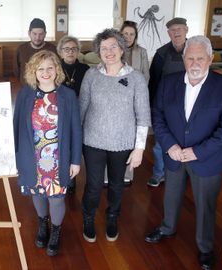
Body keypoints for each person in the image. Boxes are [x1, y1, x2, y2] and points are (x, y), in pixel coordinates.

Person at [144, 36, 222, 270]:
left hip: (206, 159)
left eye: (200, 58)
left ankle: (205, 247)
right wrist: (170, 146)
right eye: (190, 58)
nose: (195, 63)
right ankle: (167, 228)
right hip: (175, 155)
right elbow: (157, 116)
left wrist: (197, 152)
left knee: (206, 205)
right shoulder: (168, 82)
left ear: (210, 58)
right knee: (171, 196)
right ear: (183, 59)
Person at [79, 28, 150, 243]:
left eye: (113, 47)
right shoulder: (91, 75)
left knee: (117, 185)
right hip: (93, 141)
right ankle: (88, 218)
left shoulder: (136, 78)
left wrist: (139, 148)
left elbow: (143, 115)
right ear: (98, 52)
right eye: (103, 48)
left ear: (122, 49)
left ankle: (112, 217)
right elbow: (81, 109)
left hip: (122, 143)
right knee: (93, 185)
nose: (109, 52)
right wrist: (74, 142)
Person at [13, 50, 82, 256]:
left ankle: (56, 230)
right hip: (31, 156)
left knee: (57, 198)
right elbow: (16, 127)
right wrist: (15, 157)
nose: (45, 72)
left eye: (50, 68)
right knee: (38, 193)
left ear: (57, 70)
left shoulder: (67, 95)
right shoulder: (25, 94)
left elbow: (76, 130)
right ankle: (43, 224)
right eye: (40, 68)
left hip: (57, 157)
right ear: (33, 71)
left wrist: (76, 160)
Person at [147, 17, 188, 188]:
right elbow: (153, 82)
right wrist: (152, 106)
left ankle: (188, 173)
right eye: (172, 30)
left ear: (187, 30)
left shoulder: (194, 50)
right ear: (168, 33)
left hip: (190, 104)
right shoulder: (161, 54)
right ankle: (159, 173)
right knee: (161, 143)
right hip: (166, 105)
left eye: (179, 29)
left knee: (189, 141)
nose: (176, 32)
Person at [57, 35, 90, 194]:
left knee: (80, 144)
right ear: (60, 52)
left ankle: (81, 176)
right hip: (61, 112)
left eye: (73, 49)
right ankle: (67, 180)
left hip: (81, 111)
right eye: (66, 49)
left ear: (78, 51)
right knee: (65, 146)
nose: (70, 52)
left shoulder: (85, 69)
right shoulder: (55, 68)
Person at [120, 20, 150, 186]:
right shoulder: (114, 50)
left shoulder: (142, 52)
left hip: (134, 100)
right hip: (116, 101)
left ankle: (127, 174)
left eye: (132, 34)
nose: (129, 37)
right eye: (126, 34)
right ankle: (108, 174)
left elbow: (146, 76)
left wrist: (134, 91)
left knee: (131, 139)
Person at [16, 18, 57, 84]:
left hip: (48, 87)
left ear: (45, 34)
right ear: (29, 33)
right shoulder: (21, 49)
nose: (37, 37)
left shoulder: (53, 49)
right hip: (27, 87)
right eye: (34, 34)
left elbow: (57, 70)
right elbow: (16, 71)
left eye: (41, 34)